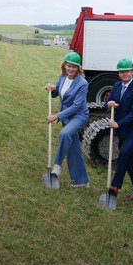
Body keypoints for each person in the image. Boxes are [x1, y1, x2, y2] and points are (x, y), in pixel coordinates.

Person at [44, 51, 90, 187]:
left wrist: (56, 116)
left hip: (78, 116)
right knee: (73, 147)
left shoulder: (83, 84)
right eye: (68, 66)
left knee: (64, 134)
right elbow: (57, 92)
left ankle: (57, 166)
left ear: (78, 68)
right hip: (66, 116)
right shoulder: (63, 77)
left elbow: (76, 107)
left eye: (74, 67)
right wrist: (51, 89)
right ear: (64, 65)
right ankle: (81, 181)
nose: (71, 69)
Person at [106, 58, 133, 201]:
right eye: (121, 71)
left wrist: (118, 124)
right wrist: (109, 103)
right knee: (129, 160)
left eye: (127, 71)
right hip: (123, 130)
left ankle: (115, 186)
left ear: (132, 72)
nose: (124, 74)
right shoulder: (117, 86)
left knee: (124, 152)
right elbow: (109, 101)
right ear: (119, 73)